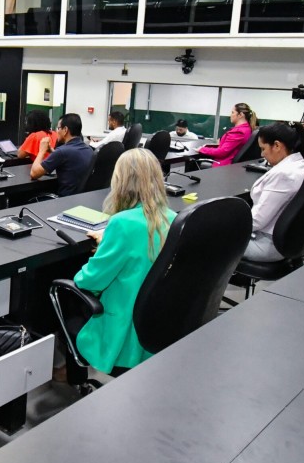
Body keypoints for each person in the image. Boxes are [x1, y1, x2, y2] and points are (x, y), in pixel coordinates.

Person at [65, 148, 176, 374]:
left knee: (63, 295)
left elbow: (89, 281)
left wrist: (103, 246)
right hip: (157, 329)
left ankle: (71, 375)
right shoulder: (173, 219)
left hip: (122, 335)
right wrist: (110, 241)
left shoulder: (121, 224)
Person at [243, 122, 304, 262]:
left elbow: (257, 220)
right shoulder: (301, 165)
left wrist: (225, 227)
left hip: (265, 245)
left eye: (263, 148)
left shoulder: (283, 175)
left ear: (277, 145)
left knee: (205, 238)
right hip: (285, 240)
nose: (262, 154)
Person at [31, 113, 95, 196]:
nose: (57, 131)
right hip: (81, 198)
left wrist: (42, 151)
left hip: (64, 199)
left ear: (65, 130)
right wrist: (53, 152)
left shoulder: (62, 151)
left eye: (58, 128)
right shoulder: (89, 149)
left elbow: (34, 173)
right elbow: (69, 159)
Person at [196, 103, 257, 167]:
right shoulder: (247, 129)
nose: (230, 115)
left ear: (240, 115)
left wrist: (202, 149)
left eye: (233, 112)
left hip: (223, 166)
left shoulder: (238, 132)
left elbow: (222, 152)